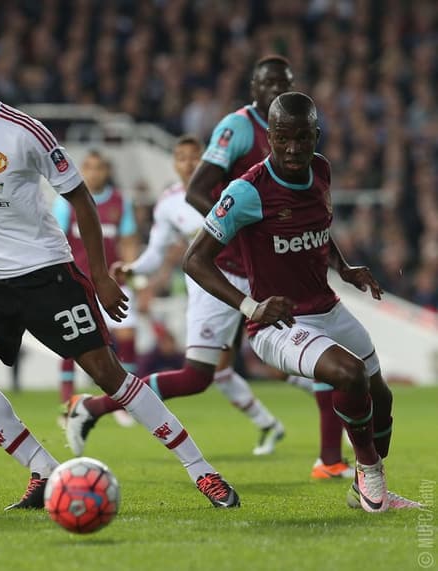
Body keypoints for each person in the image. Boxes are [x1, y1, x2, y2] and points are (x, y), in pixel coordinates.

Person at [0, 35, 239, 510]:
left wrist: (103, 277)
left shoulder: (26, 133)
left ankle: (202, 471)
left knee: (110, 375)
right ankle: (42, 469)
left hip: (47, 274)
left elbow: (81, 200)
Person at [184, 91, 420, 512]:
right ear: (269, 137)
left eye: (302, 138)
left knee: (381, 399)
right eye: (282, 137)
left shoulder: (321, 171)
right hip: (279, 325)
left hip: (327, 307)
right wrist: (249, 308)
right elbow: (194, 260)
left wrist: (344, 268)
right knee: (349, 375)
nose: (292, 148)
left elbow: (317, 230)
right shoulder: (246, 192)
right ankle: (371, 484)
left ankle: (365, 482)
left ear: (316, 135)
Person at [65, 135, 286, 457]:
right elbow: (156, 251)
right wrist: (134, 268)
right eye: (181, 158)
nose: (189, 164)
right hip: (211, 290)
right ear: (174, 163)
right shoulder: (170, 203)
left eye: (195, 157)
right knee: (201, 375)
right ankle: (94, 408)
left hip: (252, 281)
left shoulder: (230, 189)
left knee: (290, 349)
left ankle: (328, 430)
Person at [184, 56, 351, 479]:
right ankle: (97, 404)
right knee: (199, 373)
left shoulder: (301, 143)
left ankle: (330, 458)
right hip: (228, 266)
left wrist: (341, 265)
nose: (277, 88)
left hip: (269, 261)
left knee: (318, 343)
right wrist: (243, 235)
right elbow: (197, 191)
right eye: (268, 82)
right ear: (253, 87)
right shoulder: (238, 127)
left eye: (285, 81)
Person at [52, 150, 137, 426]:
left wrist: (134, 273)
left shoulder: (120, 202)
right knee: (71, 342)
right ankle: (67, 405)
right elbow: (56, 239)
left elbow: (128, 240)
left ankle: (123, 404)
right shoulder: (67, 202)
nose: (94, 172)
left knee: (126, 336)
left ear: (106, 171)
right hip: (78, 283)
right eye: (88, 167)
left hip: (112, 283)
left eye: (99, 167)